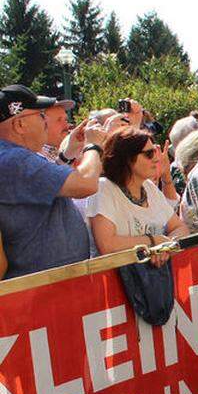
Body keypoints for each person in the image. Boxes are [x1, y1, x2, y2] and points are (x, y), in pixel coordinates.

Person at [0, 84, 103, 279]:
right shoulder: (14, 160)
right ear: (19, 125)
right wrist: (94, 145)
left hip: (49, 284)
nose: (45, 122)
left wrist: (68, 153)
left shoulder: (13, 158)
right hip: (43, 290)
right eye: (40, 116)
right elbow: (86, 184)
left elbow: (45, 185)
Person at [86, 127, 187, 268]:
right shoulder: (103, 189)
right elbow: (107, 245)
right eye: (149, 153)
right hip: (115, 283)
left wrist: (166, 246)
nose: (157, 158)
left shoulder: (149, 188)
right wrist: (153, 240)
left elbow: (179, 227)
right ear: (127, 158)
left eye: (156, 152)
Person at [39, 99, 74, 163]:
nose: (66, 125)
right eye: (59, 120)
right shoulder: (34, 158)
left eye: (66, 119)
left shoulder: (67, 149)